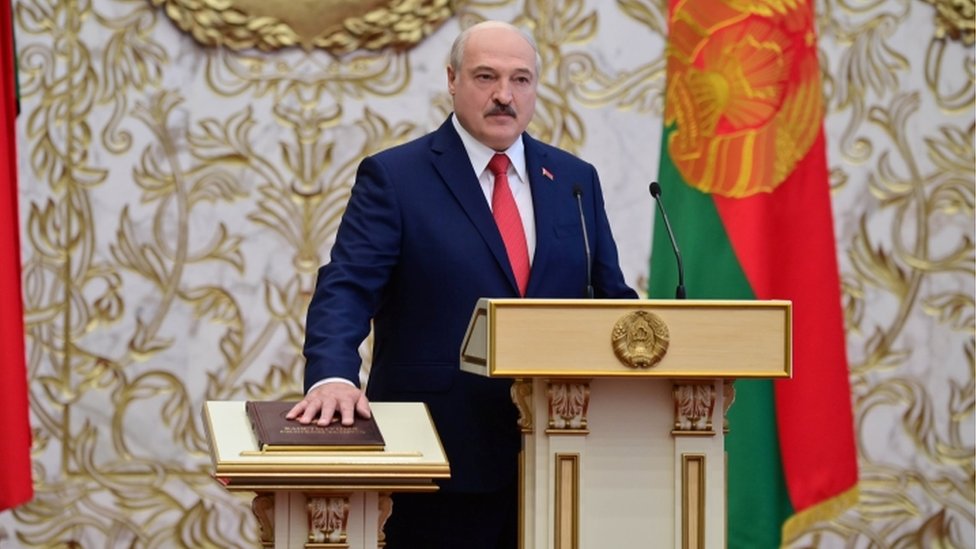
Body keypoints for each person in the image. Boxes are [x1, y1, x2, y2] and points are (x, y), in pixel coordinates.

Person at [287, 20, 637, 549]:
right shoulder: (396, 177)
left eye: (521, 80)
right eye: (486, 77)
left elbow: (610, 297)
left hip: (562, 455)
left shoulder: (573, 180)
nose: (504, 95)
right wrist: (332, 375)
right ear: (452, 80)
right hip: (440, 455)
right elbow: (348, 286)